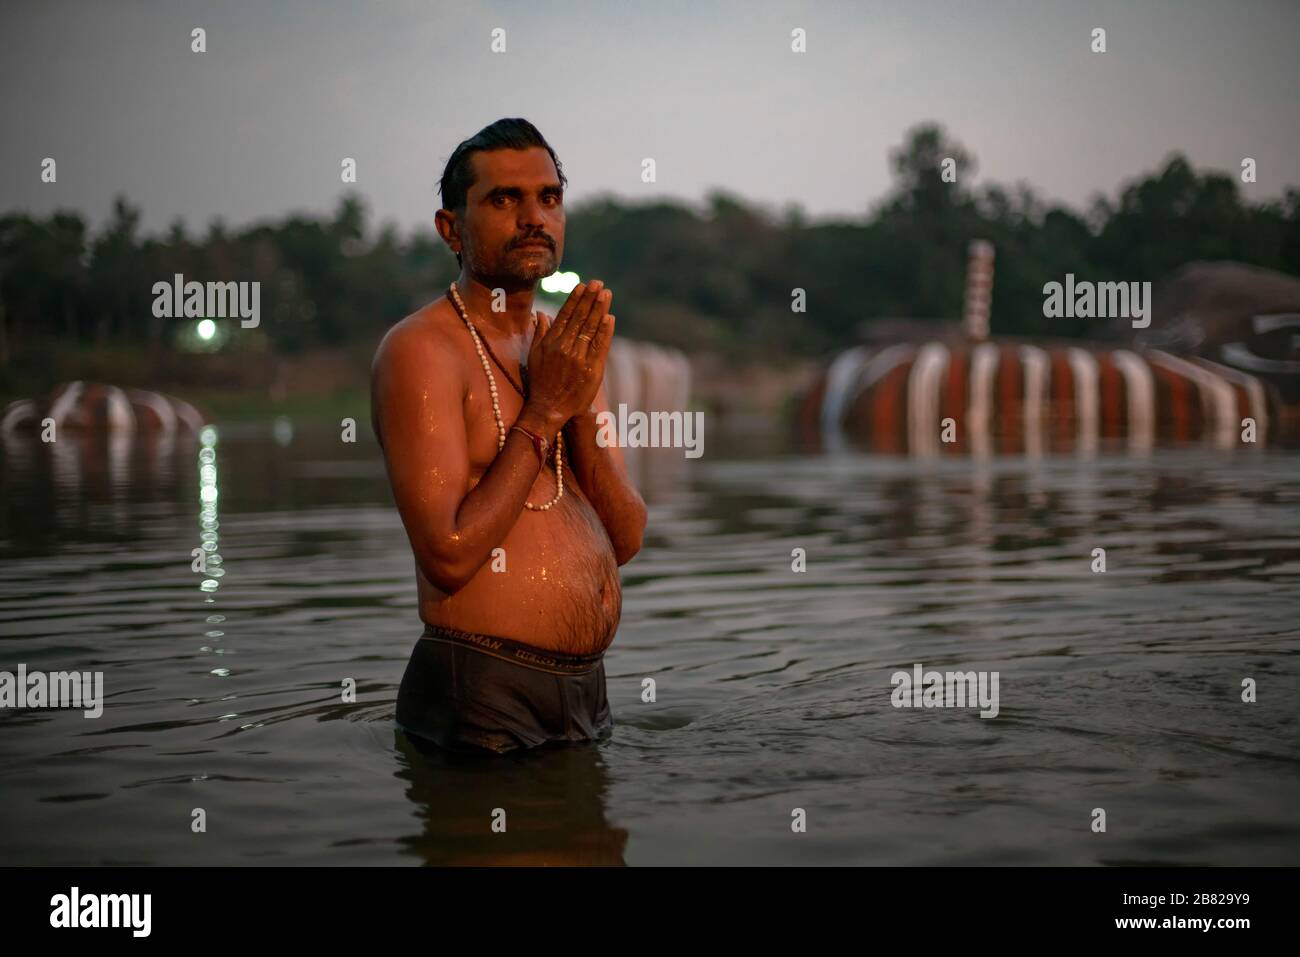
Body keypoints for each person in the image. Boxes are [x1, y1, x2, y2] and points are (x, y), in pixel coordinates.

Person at [371, 118, 647, 754]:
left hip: (585, 691)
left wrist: (572, 402)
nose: (534, 217)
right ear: (451, 229)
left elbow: (627, 537)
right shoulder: (422, 350)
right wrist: (545, 411)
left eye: (549, 198)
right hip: (483, 693)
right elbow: (448, 556)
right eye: (504, 200)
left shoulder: (565, 347)